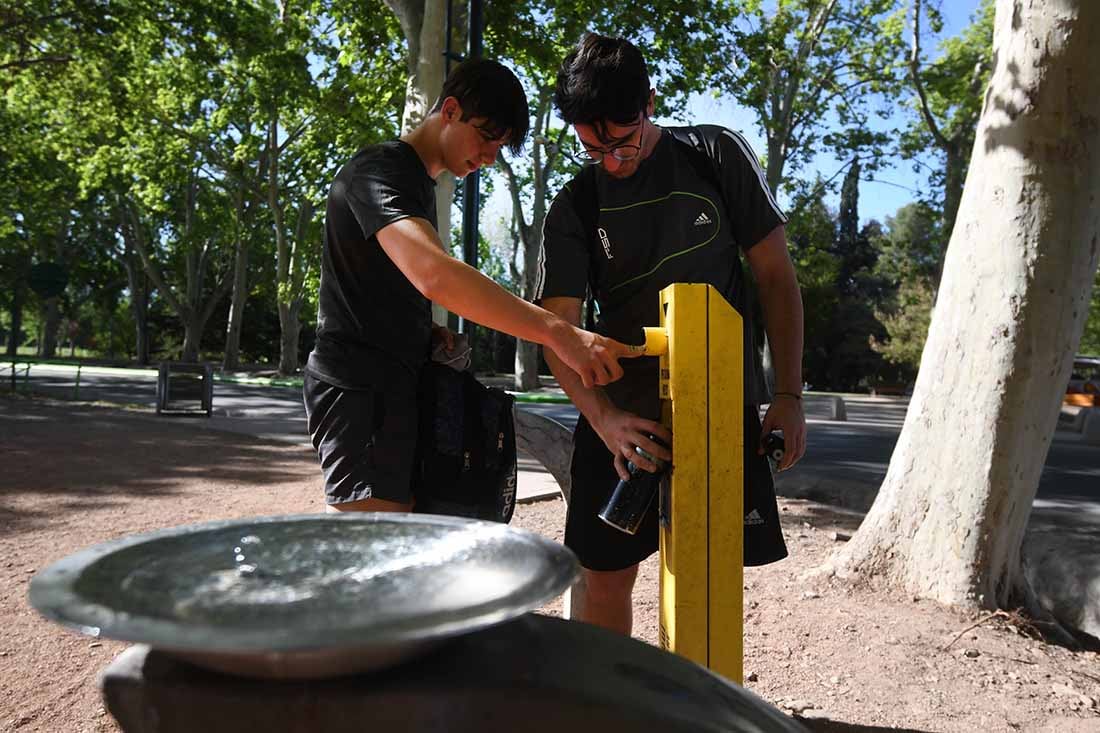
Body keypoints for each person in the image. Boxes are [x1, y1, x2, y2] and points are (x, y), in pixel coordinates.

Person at [535, 33, 808, 635]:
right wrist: (604, 420)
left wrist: (787, 395)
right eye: (591, 147)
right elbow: (556, 331)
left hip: (720, 405)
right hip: (623, 418)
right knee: (601, 576)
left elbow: (776, 279)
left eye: (622, 142)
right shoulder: (575, 204)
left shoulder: (716, 154)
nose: (611, 160)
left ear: (650, 104)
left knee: (708, 575)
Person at [304, 58, 640, 514]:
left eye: (499, 146)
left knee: (402, 560)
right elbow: (435, 274)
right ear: (450, 110)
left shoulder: (416, 184)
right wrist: (559, 332)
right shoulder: (379, 169)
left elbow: (386, 287)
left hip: (395, 390)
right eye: (486, 136)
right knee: (367, 565)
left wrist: (426, 335)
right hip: (360, 391)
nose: (488, 157)